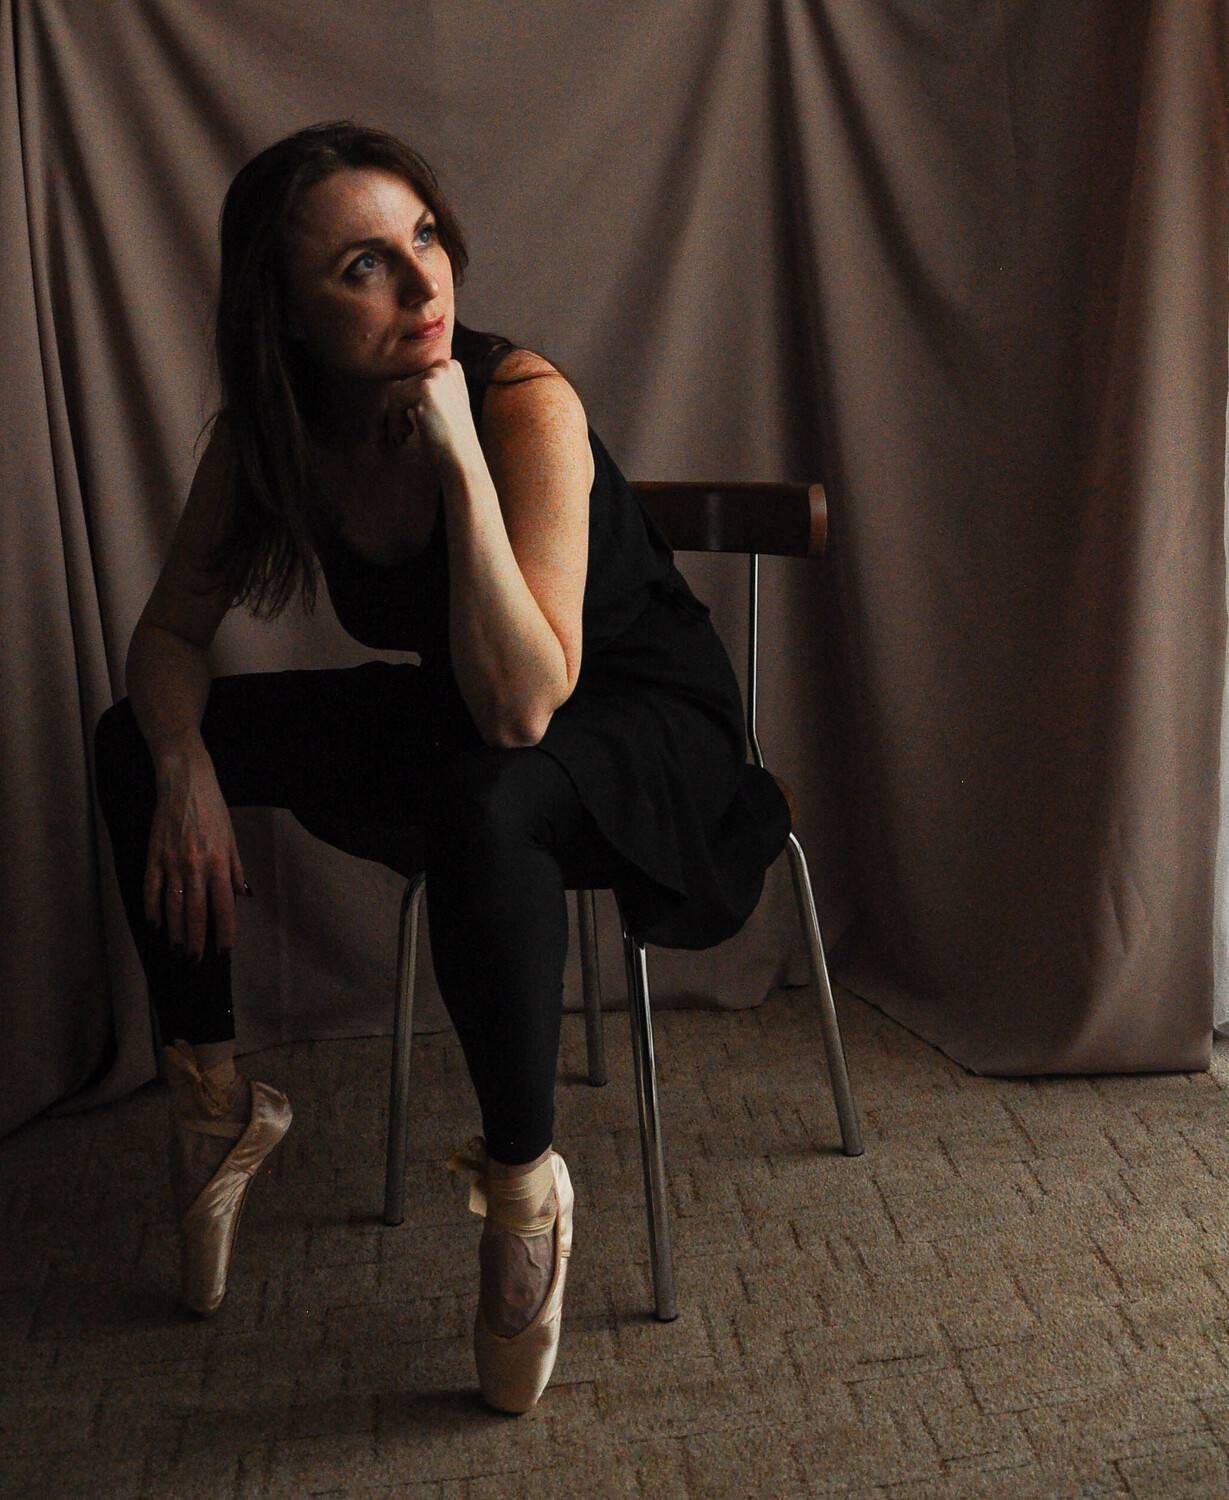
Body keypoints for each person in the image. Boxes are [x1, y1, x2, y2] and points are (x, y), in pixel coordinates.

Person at [92, 120, 790, 1413]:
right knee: (130, 737)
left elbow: (524, 707)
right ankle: (213, 1102)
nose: (424, 283)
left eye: (424, 238)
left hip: (643, 726)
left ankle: (524, 1192)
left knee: (487, 789)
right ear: (285, 316)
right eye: (363, 265)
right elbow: (169, 636)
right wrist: (181, 756)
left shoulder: (521, 401)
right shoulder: (271, 437)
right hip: (476, 710)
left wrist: (461, 456)